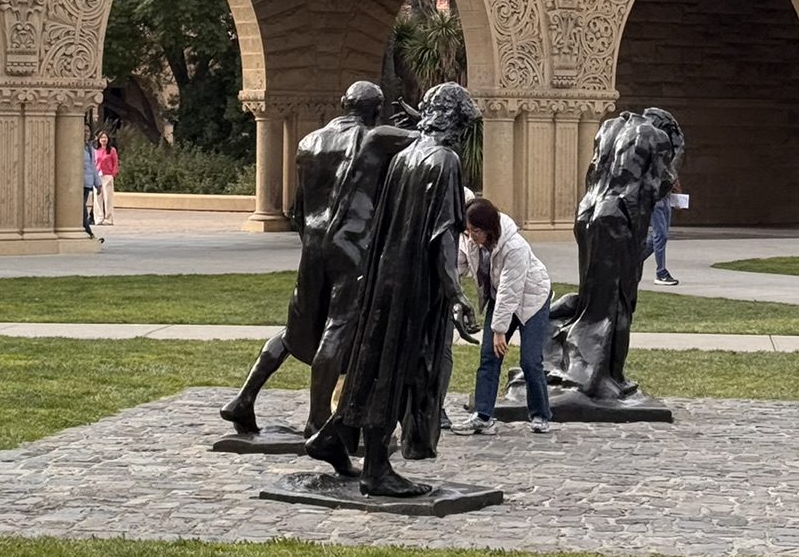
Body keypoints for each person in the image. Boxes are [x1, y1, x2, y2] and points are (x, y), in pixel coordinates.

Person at [307, 82, 480, 496]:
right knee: (401, 370)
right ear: (453, 120)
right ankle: (376, 469)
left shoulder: (406, 155)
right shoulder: (444, 160)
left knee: (376, 363)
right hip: (414, 284)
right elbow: (443, 236)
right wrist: (455, 294)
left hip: (383, 276)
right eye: (463, 124)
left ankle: (334, 434)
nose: (462, 133)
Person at [222, 82, 417, 438]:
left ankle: (244, 398)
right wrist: (416, 123)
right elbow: (426, 144)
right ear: (376, 111)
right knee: (338, 328)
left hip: (313, 242)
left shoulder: (308, 143)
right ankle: (317, 420)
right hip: (352, 246)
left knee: (297, 328)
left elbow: (298, 206)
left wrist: (311, 240)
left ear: (343, 103)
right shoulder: (372, 138)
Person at [546, 106, 683, 407]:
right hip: (618, 216)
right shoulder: (657, 137)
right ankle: (603, 377)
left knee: (591, 295)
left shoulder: (608, 127)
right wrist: (675, 158)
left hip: (588, 211)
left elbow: (592, 173)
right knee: (616, 300)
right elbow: (657, 184)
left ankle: (591, 367)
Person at [458, 195, 554, 435]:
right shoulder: (472, 241)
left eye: (476, 231)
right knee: (488, 356)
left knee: (530, 361)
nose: (471, 236)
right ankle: (482, 415)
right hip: (500, 296)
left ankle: (540, 415)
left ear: (489, 229)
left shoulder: (515, 247)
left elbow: (512, 290)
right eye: (468, 230)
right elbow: (459, 266)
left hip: (531, 299)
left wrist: (499, 330)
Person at [643, 186, 678, 284]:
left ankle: (631, 264)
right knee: (660, 235)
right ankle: (661, 273)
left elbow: (671, 178)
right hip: (654, 198)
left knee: (656, 239)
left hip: (665, 197)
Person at [94, 131, 118, 225]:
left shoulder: (112, 150)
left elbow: (115, 162)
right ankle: (99, 217)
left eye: (105, 138)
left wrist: (113, 173)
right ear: (99, 140)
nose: (103, 140)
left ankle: (108, 218)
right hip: (97, 175)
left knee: (108, 198)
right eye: (102, 138)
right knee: (97, 198)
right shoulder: (95, 150)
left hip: (107, 175)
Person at [83, 134, 100, 237]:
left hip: (87, 182)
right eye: (84, 130)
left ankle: (88, 233)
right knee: (82, 209)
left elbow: (92, 166)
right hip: (78, 182)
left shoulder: (90, 148)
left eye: (88, 131)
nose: (86, 133)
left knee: (82, 208)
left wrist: (97, 183)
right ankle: (88, 233)